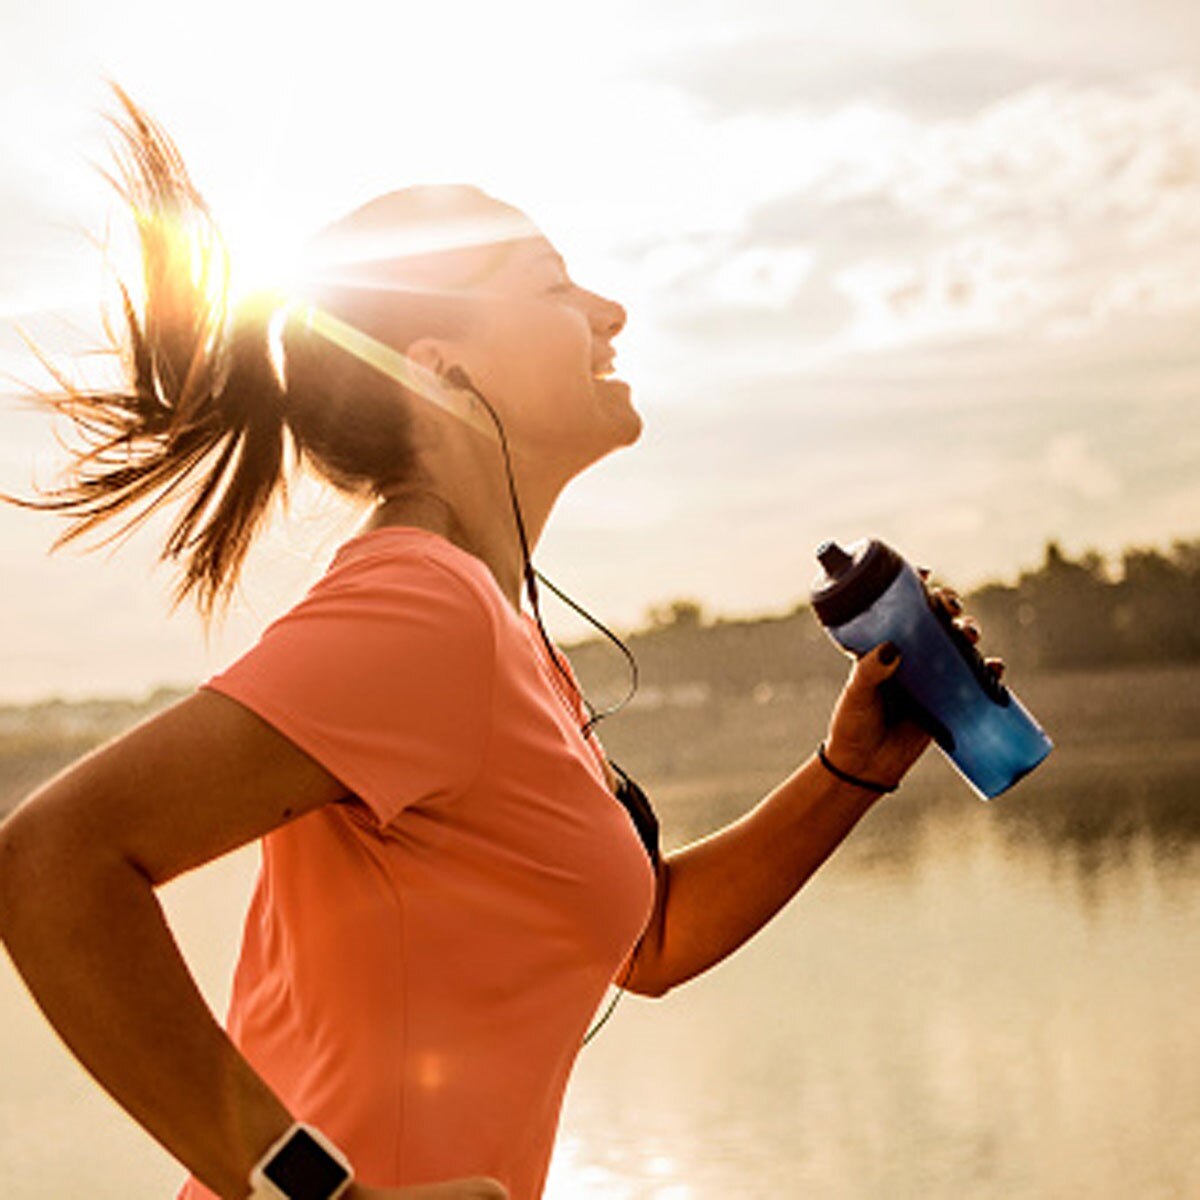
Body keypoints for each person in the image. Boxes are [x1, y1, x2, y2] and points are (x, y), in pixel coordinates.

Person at [0, 90, 996, 1200]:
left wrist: (850, 769)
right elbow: (53, 864)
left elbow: (649, 939)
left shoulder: (499, 629)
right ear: (439, 367)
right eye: (554, 286)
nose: (610, 311)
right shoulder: (420, 611)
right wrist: (312, 1194)